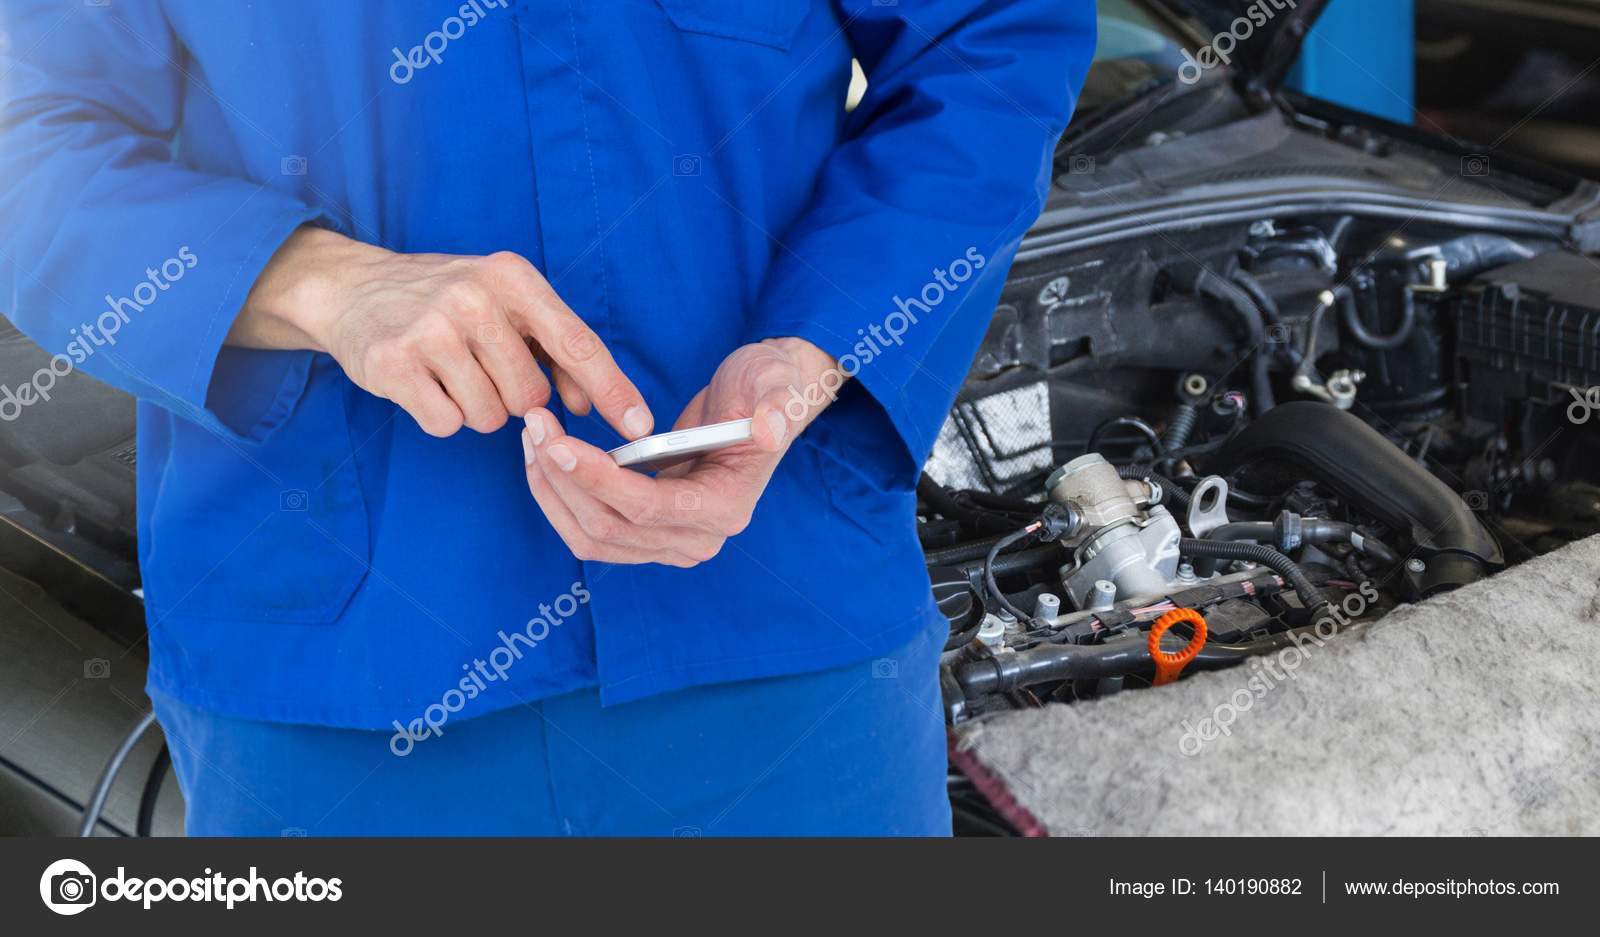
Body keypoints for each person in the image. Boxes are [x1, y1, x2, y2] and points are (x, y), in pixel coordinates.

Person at [0, 0, 1094, 835]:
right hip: (340, 687)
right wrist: (321, 284)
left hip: (776, 634)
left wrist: (814, 353)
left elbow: (995, 36)